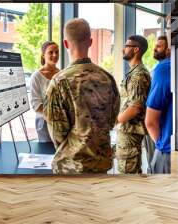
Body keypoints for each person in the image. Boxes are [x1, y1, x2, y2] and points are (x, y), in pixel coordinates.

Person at [43, 18, 120, 174]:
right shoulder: (108, 78)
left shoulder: (59, 82)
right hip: (101, 165)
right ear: (90, 42)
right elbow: (112, 120)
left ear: (65, 44)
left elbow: (57, 133)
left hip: (71, 167)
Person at [116, 35, 151, 174]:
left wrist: (115, 120)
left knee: (128, 175)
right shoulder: (134, 72)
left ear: (136, 49)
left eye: (126, 46)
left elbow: (135, 108)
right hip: (127, 131)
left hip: (130, 132)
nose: (123, 49)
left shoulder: (138, 75)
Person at [145, 36, 172, 174]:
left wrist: (161, 144)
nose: (155, 49)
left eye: (159, 46)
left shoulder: (163, 68)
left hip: (167, 149)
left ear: (169, 49)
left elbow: (150, 121)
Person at [30, 41, 60, 142]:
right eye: (50, 52)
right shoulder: (36, 77)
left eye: (57, 52)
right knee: (46, 154)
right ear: (43, 55)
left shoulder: (62, 74)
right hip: (44, 123)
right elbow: (36, 104)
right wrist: (55, 117)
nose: (55, 55)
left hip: (61, 124)